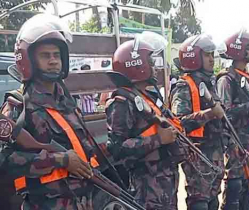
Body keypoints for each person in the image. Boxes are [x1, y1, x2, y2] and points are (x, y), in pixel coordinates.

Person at [0, 14, 97, 210]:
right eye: (45, 56)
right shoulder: (18, 105)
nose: (53, 61)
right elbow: (4, 160)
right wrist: (59, 159)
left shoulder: (68, 103)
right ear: (29, 61)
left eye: (56, 55)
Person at [105, 32, 185, 209]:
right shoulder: (122, 102)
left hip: (166, 182)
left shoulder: (148, 98)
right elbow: (117, 149)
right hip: (147, 188)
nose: (154, 67)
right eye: (150, 62)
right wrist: (158, 139)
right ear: (137, 65)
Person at [170, 34, 226, 210]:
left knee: (212, 200)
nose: (211, 59)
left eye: (212, 54)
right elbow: (178, 123)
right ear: (194, 57)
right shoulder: (184, 86)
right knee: (199, 202)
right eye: (207, 55)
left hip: (215, 152)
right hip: (197, 154)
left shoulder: (210, 83)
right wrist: (209, 114)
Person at [216, 29, 249, 210]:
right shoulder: (227, 79)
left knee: (246, 186)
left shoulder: (246, 77)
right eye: (248, 48)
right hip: (234, 142)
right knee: (234, 184)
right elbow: (225, 113)